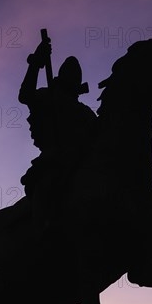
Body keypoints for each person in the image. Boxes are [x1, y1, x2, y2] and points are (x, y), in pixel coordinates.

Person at [18, 37, 99, 237]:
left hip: (83, 160)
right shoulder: (48, 97)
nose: (74, 77)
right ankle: (41, 233)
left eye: (76, 75)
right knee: (47, 185)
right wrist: (36, 63)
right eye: (70, 73)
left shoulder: (85, 112)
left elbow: (101, 134)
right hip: (55, 158)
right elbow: (25, 95)